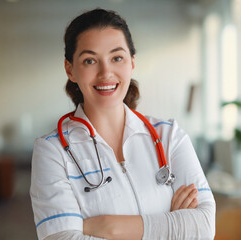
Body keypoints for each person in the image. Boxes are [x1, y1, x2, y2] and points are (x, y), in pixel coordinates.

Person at [30, 8, 216, 240]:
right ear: (71, 70)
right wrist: (172, 226)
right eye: (90, 60)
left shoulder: (169, 135)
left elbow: (204, 227)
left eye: (117, 58)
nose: (105, 72)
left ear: (132, 63)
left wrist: (108, 227)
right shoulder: (52, 150)